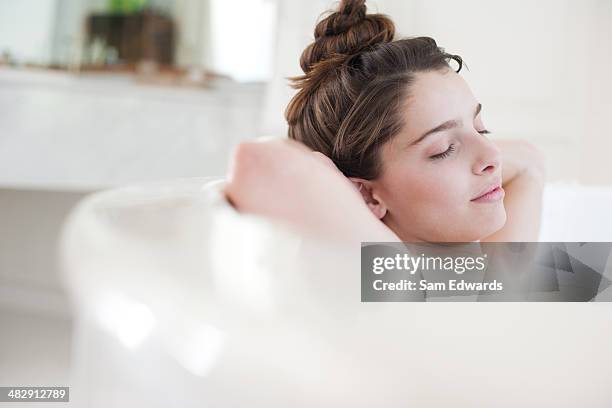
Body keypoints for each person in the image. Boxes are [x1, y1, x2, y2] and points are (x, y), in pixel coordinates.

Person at [224, 0, 546, 243]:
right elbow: (255, 162)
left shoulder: (469, 278)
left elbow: (530, 161)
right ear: (367, 196)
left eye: (480, 128)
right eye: (444, 149)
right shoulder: (391, 279)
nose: (493, 157)